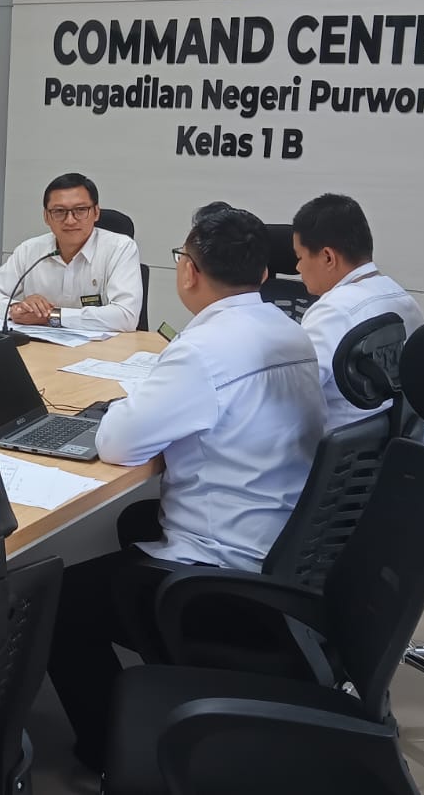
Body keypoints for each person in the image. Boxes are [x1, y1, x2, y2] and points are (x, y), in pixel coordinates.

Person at [46, 202, 326, 770]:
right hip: (284, 550)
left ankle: (107, 751)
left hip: (222, 578)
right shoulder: (289, 329)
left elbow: (117, 444)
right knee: (133, 522)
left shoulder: (202, 350)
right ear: (263, 273)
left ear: (190, 271)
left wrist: (128, 406)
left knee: (56, 598)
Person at [292, 193, 424, 430]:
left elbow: (290, 395)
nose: (297, 267)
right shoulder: (404, 300)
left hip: (336, 449)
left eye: (300, 257)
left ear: (328, 257)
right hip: (395, 445)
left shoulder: (332, 311)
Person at [0, 172, 141, 332]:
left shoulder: (120, 248)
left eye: (80, 210)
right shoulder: (30, 250)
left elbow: (126, 316)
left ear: (96, 213)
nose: (70, 220)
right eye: (59, 212)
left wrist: (50, 316)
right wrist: (16, 308)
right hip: (40, 345)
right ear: (46, 216)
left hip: (100, 349)